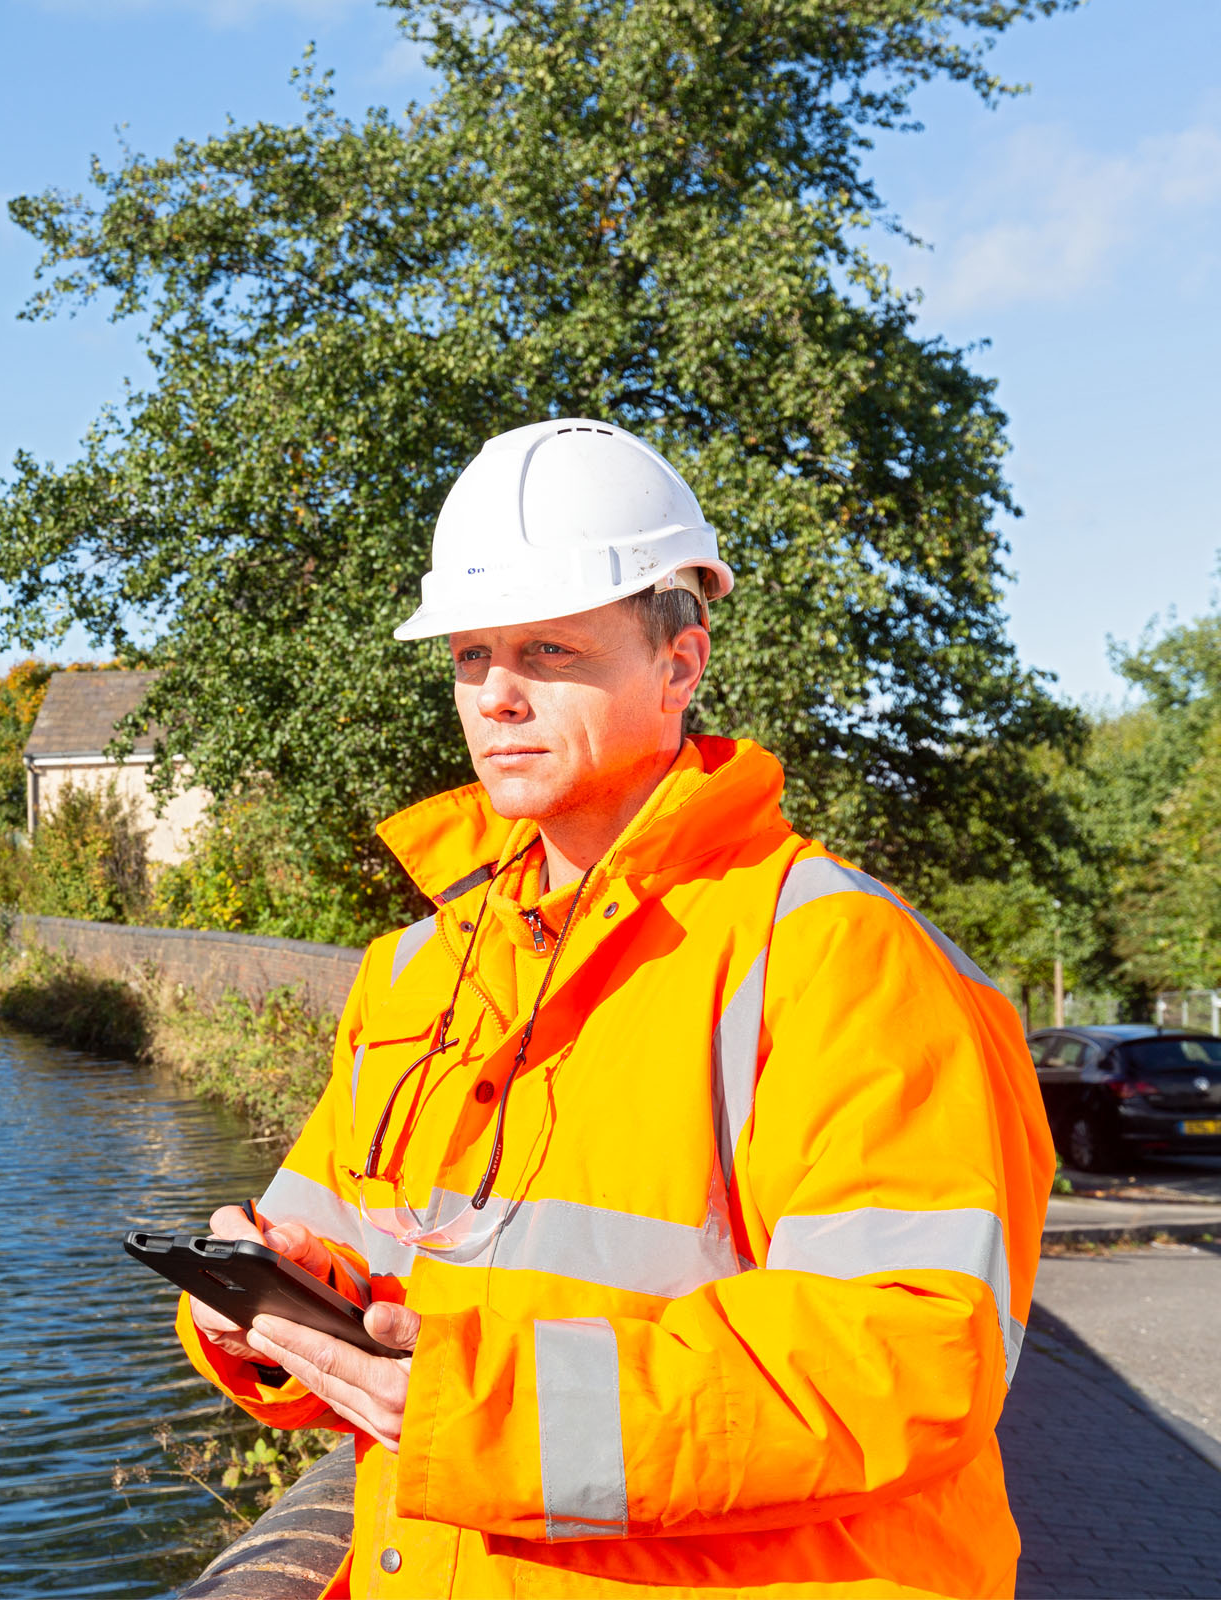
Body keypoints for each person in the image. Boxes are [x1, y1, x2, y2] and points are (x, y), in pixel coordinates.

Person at [177, 419, 1053, 1597]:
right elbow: (355, 1260)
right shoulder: (415, 972)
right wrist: (266, 1312)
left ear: (680, 666)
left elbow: (908, 1358)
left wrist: (473, 1403)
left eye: (547, 649)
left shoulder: (840, 957)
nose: (496, 696)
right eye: (470, 653)